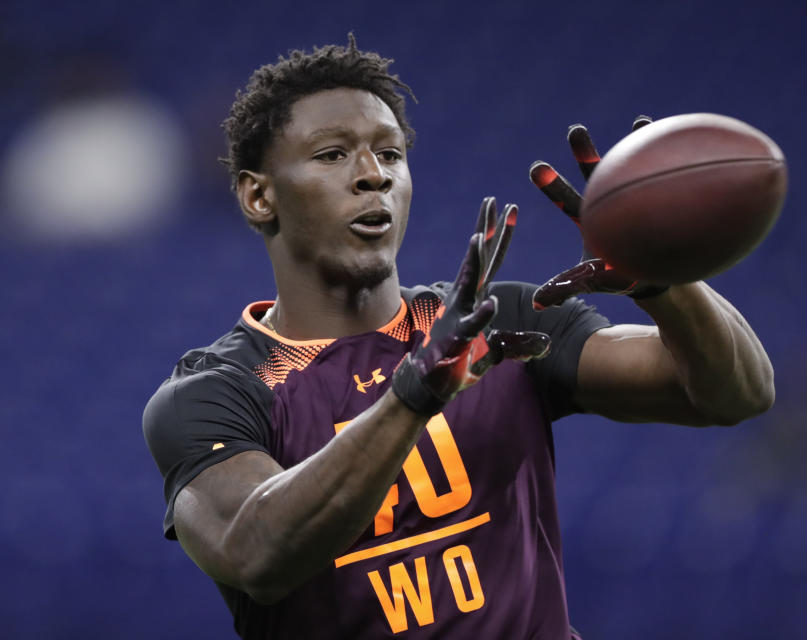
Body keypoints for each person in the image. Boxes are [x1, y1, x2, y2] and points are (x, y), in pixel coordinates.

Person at [143, 36, 774, 639]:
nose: (372, 175)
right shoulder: (214, 394)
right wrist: (411, 395)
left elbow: (733, 394)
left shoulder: (499, 318)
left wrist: (663, 281)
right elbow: (258, 555)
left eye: (389, 154)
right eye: (332, 154)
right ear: (258, 195)